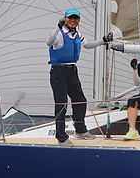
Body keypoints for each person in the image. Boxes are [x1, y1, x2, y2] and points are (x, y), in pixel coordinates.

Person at [46, 8, 111, 144]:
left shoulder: (76, 34)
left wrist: (103, 40)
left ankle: (80, 130)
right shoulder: (60, 33)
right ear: (65, 19)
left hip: (72, 71)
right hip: (59, 72)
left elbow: (88, 45)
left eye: (76, 18)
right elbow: (49, 42)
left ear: (79, 20)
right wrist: (58, 27)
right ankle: (61, 137)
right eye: (70, 18)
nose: (73, 20)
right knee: (61, 105)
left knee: (80, 100)